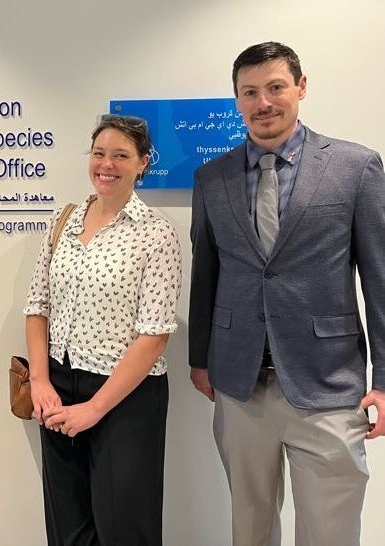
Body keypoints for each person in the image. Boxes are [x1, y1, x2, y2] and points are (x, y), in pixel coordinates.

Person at [189, 41, 385, 546]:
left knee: (331, 534)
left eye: (275, 87)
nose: (264, 102)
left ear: (301, 87)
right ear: (237, 100)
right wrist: (200, 358)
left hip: (328, 383)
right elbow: (206, 273)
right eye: (249, 92)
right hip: (239, 384)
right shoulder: (213, 178)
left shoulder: (355, 167)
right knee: (249, 529)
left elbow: (380, 280)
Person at [23, 114, 181, 545]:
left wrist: (94, 409)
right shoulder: (65, 220)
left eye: (121, 155)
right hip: (57, 388)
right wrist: (40, 382)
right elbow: (37, 307)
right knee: (67, 526)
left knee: (125, 527)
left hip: (125, 395)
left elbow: (154, 335)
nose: (106, 164)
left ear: (143, 163)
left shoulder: (156, 234)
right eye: (99, 153)